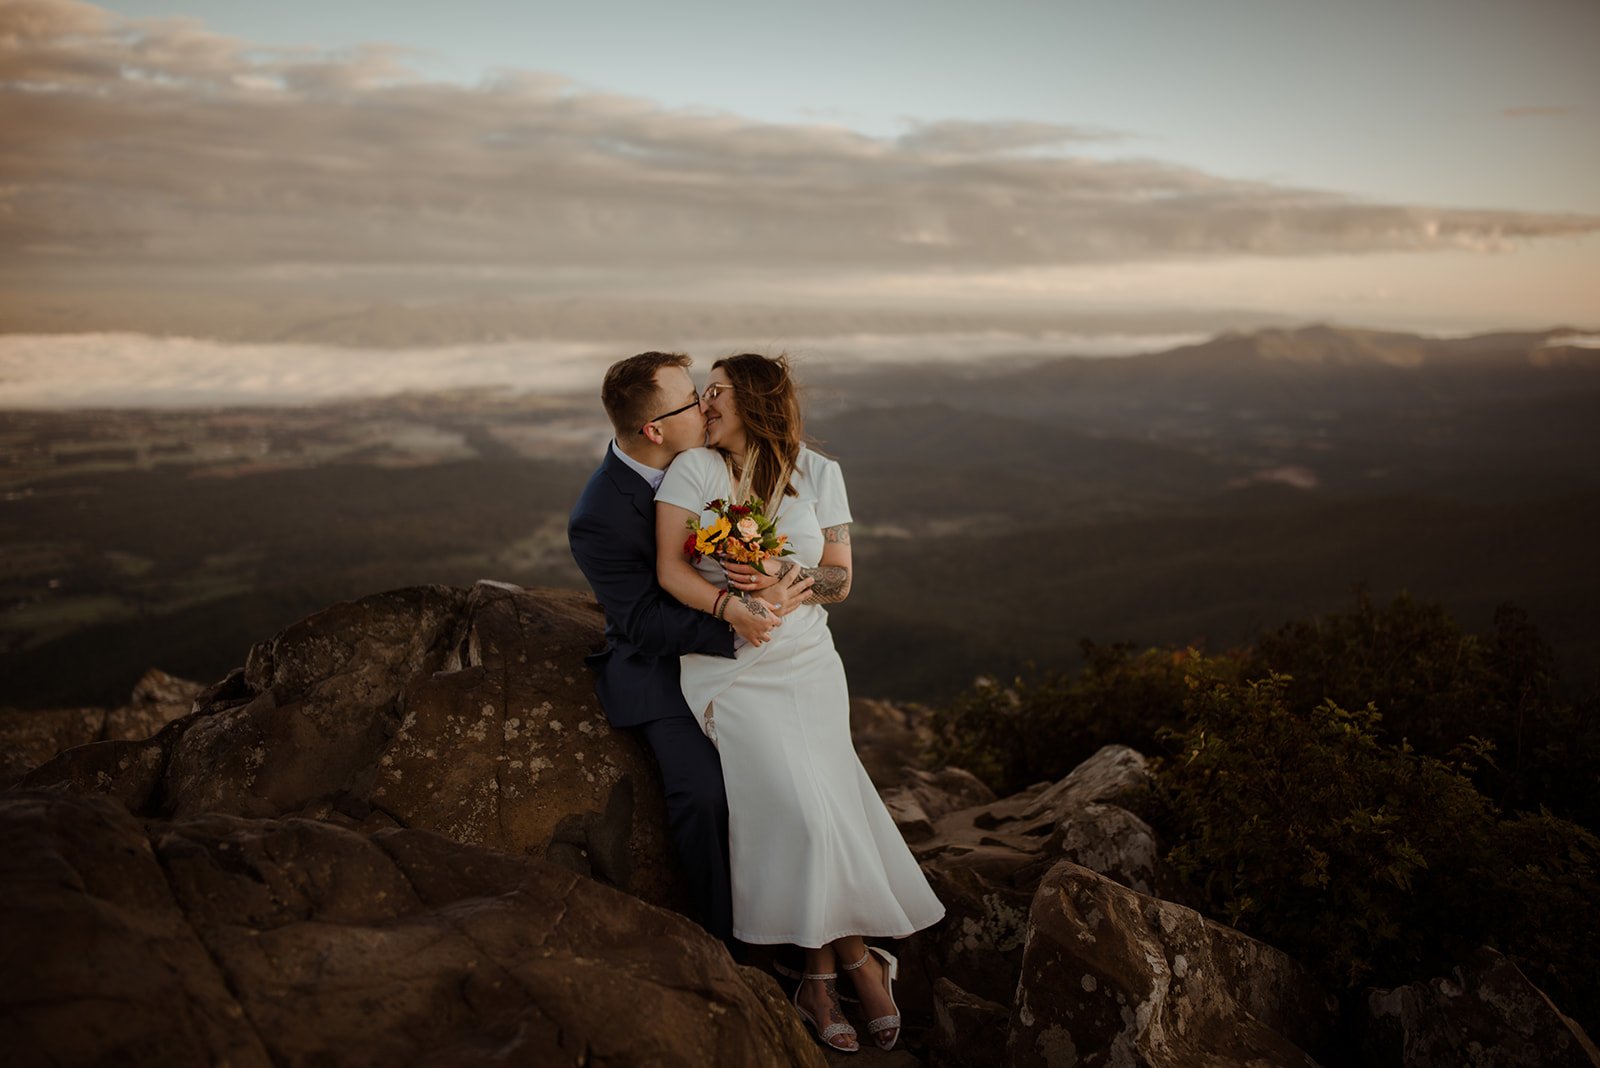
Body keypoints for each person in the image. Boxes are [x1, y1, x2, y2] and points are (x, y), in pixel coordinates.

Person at [654, 353, 944, 1053]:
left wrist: (783, 571)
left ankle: (820, 974)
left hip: (809, 661)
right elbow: (669, 570)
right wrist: (732, 603)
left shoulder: (821, 473)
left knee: (825, 804)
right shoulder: (693, 470)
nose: (703, 404)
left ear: (752, 400)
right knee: (802, 810)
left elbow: (841, 582)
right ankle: (856, 959)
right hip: (732, 665)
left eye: (715, 391)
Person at [567, 351, 813, 952]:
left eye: (705, 393)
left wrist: (774, 589)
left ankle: (808, 926)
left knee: (790, 780)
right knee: (705, 795)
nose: (706, 406)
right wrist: (736, 618)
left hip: (752, 645)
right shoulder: (598, 515)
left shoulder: (717, 462)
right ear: (653, 429)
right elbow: (644, 623)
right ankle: (729, 948)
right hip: (662, 670)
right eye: (690, 401)